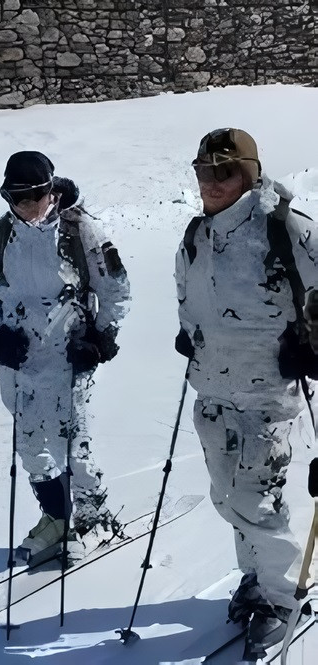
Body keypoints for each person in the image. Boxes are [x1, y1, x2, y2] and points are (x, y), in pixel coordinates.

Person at [175, 127, 318, 658]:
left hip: (268, 391)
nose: (213, 182)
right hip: (214, 389)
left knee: (259, 501)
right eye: (204, 171)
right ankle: (256, 579)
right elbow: (188, 294)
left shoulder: (285, 230)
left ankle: (283, 599)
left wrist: (313, 347)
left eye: (225, 171)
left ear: (249, 174)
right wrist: (189, 334)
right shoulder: (197, 235)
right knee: (229, 497)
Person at [0, 151, 129, 566]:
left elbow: (115, 289)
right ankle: (58, 518)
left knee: (73, 443)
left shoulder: (80, 232)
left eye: (33, 195)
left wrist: (99, 338)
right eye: (15, 197)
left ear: (51, 191)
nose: (25, 207)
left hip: (69, 359)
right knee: (32, 448)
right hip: (21, 364)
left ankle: (94, 517)